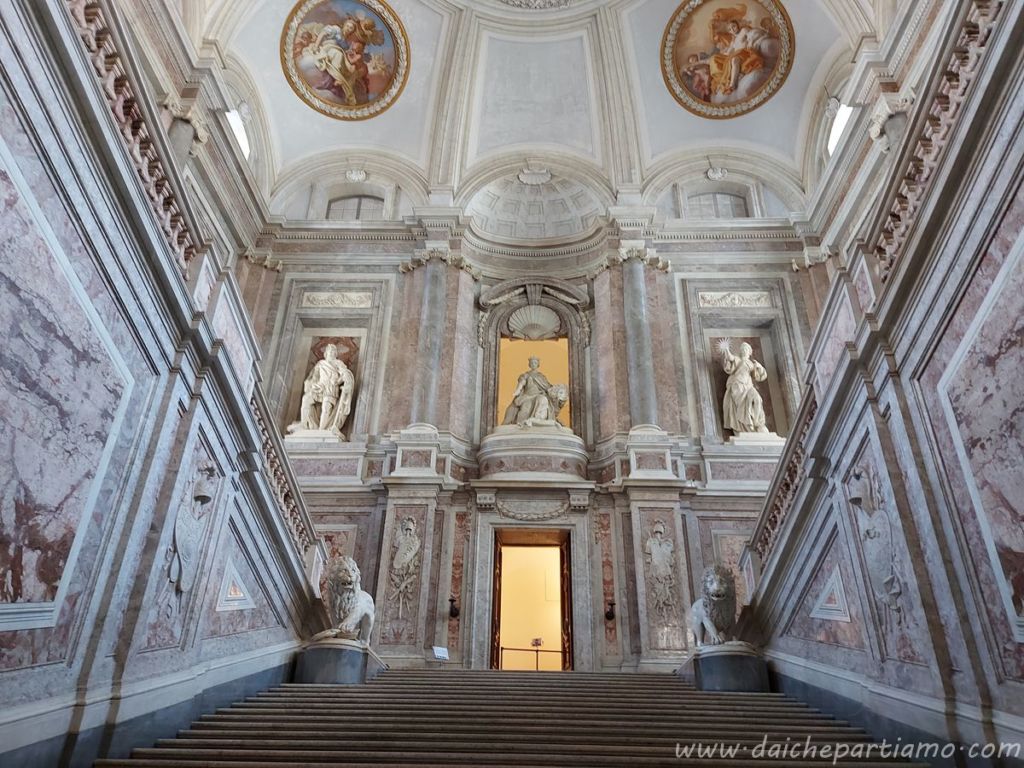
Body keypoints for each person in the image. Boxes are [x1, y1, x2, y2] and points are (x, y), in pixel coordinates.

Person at [291, 343, 354, 436]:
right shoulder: (320, 363)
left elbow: (345, 374)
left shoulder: (338, 363)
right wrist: (311, 384)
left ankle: (321, 431)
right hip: (319, 387)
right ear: (326, 353)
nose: (332, 353)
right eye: (330, 351)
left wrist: (338, 381)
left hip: (331, 388)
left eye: (334, 351)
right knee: (306, 399)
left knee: (326, 407)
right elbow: (314, 376)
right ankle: (304, 424)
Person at [721, 341, 769, 434]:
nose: (744, 350)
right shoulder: (738, 360)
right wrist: (726, 349)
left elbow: (759, 377)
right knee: (741, 406)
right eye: (742, 349)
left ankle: (757, 424)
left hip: (748, 386)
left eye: (746, 349)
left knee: (758, 399)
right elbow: (730, 358)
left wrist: (759, 367)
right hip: (738, 385)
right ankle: (746, 427)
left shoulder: (752, 363)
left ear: (750, 352)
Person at [502, 356, 555, 426]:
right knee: (525, 409)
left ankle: (537, 421)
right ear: (529, 364)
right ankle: (521, 425)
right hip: (527, 396)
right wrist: (518, 390)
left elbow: (547, 386)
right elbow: (522, 382)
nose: (533, 364)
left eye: (535, 363)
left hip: (538, 395)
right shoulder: (526, 375)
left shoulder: (541, 376)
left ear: (538, 365)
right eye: (532, 363)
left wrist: (553, 392)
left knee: (542, 400)